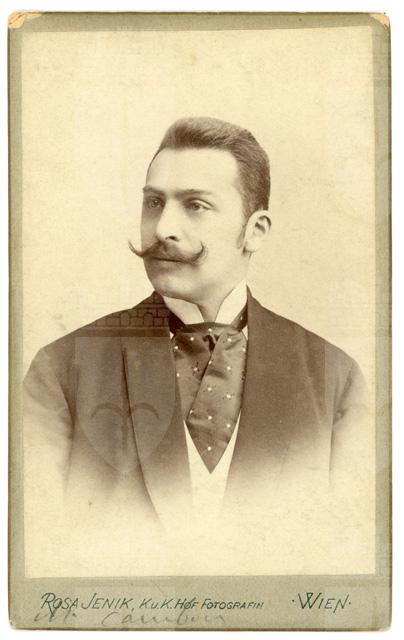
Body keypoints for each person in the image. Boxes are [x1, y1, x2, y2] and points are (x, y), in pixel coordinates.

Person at [23, 117, 373, 576]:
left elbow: (349, 565)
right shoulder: (62, 370)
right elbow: (39, 562)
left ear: (255, 230)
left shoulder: (335, 379)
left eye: (195, 205)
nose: (163, 228)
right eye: (153, 203)